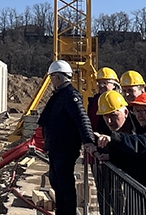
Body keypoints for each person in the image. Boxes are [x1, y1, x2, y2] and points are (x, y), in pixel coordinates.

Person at [38, 60, 97, 215]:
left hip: (65, 149)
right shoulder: (61, 95)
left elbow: (81, 118)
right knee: (57, 182)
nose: (51, 81)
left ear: (57, 77)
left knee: (65, 186)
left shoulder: (70, 95)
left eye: (52, 78)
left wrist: (88, 141)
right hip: (57, 148)